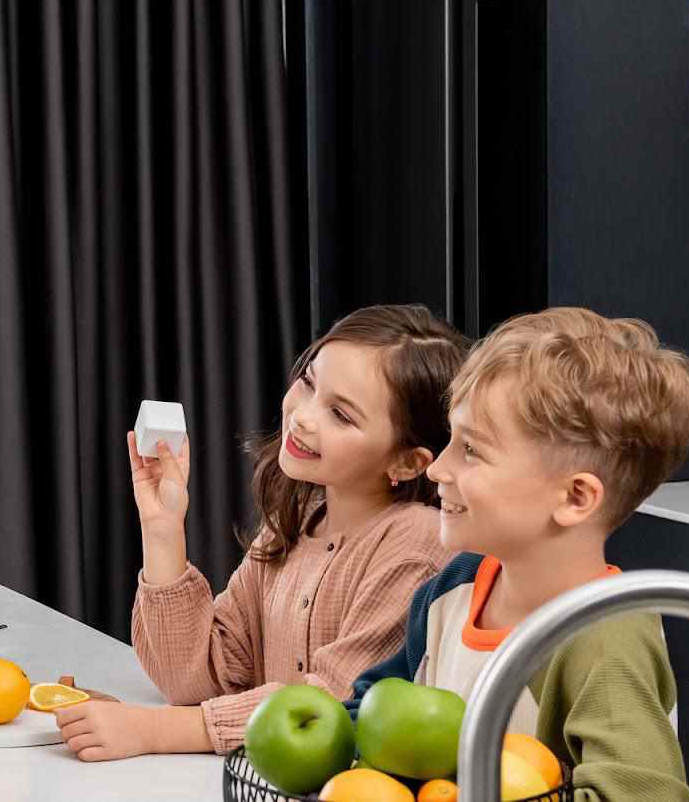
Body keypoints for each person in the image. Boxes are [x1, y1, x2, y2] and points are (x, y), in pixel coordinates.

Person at [57, 304, 469, 760]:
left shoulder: (417, 544)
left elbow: (336, 705)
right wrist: (163, 531)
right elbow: (194, 680)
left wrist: (154, 730)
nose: (304, 416)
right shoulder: (292, 525)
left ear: (407, 462)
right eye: (310, 383)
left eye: (342, 415)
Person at [347, 308, 689, 801]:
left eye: (472, 449)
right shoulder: (456, 587)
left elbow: (644, 795)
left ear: (575, 498)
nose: (438, 468)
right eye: (451, 439)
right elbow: (372, 704)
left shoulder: (604, 636)